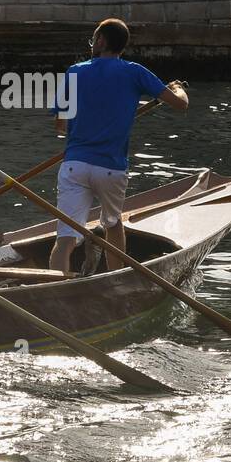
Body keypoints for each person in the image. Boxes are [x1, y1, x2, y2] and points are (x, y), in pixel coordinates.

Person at [49, 18, 188, 274]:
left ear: (101, 41)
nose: (93, 43)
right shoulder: (135, 72)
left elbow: (60, 125)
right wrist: (178, 88)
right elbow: (180, 104)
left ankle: (51, 289)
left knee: (65, 239)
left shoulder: (75, 71)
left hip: (74, 165)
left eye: (94, 38)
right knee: (113, 225)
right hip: (110, 168)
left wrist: (89, 121)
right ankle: (115, 279)